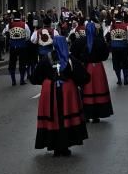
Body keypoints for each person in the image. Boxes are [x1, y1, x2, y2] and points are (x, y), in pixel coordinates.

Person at [30, 27, 89, 157]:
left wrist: (45, 81)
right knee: (66, 116)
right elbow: (83, 76)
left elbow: (34, 77)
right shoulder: (69, 59)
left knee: (54, 117)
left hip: (49, 91)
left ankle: (54, 145)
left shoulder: (46, 58)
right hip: (67, 90)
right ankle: (65, 145)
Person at [71, 14, 113, 123]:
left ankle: (86, 114)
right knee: (99, 89)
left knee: (86, 91)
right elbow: (105, 55)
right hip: (98, 68)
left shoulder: (79, 41)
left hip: (85, 68)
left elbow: (73, 55)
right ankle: (96, 115)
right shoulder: (100, 41)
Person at [5, 11, 31, 86]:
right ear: (20, 16)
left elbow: (5, 33)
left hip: (13, 46)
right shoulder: (24, 25)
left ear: (13, 16)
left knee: (12, 63)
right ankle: (22, 80)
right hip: (22, 46)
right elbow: (28, 36)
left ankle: (13, 81)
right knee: (22, 63)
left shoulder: (9, 25)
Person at [109, 11, 128, 85]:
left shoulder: (111, 27)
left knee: (116, 63)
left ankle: (119, 80)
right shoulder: (126, 27)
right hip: (123, 47)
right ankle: (125, 80)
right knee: (125, 63)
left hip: (114, 48)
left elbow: (108, 36)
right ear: (122, 19)